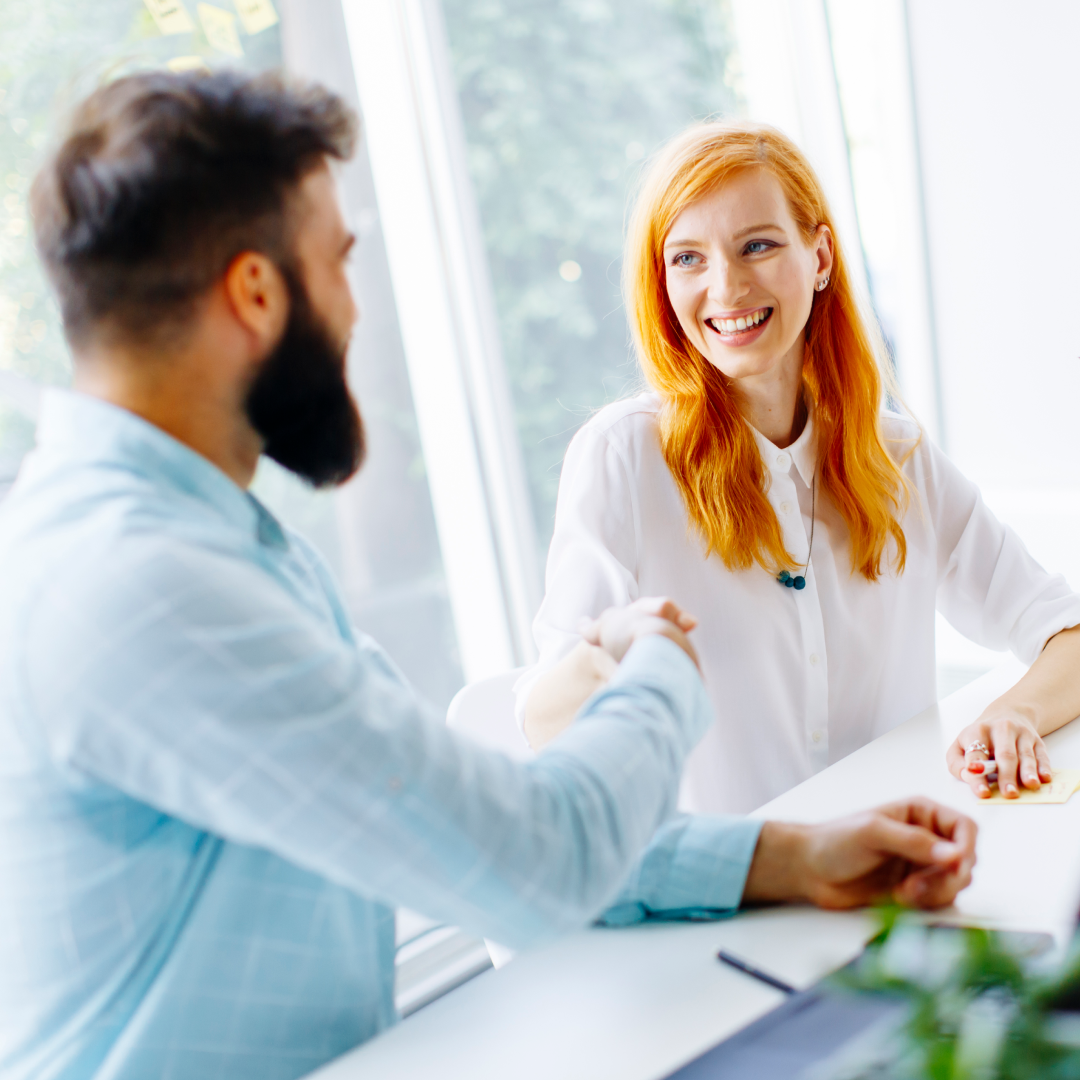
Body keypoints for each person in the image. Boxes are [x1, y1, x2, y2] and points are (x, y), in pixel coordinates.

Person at [0, 74, 977, 1080]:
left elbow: (473, 825)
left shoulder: (211, 545)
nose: (352, 307)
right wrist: (657, 671)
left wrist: (793, 859)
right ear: (257, 293)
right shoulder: (145, 585)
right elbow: (538, 858)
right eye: (339, 261)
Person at [517, 121, 1080, 815]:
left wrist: (1017, 712)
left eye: (757, 245)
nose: (725, 287)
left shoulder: (897, 456)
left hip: (904, 876)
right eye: (688, 258)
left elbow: (1066, 631)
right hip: (742, 895)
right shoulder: (623, 458)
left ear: (820, 256)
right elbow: (546, 725)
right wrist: (609, 652)